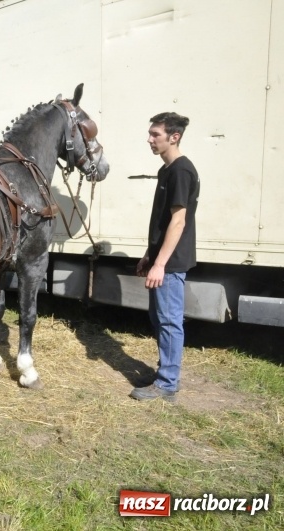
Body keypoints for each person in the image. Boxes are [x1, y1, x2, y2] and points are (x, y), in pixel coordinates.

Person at [131, 112, 199, 403]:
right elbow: (162, 221)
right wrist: (149, 255)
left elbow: (178, 221)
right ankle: (165, 375)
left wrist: (160, 264)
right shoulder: (167, 171)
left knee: (169, 322)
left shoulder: (181, 171)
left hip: (171, 264)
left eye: (155, 134)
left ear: (175, 137)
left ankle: (168, 384)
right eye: (150, 133)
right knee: (159, 319)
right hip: (161, 260)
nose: (149, 139)